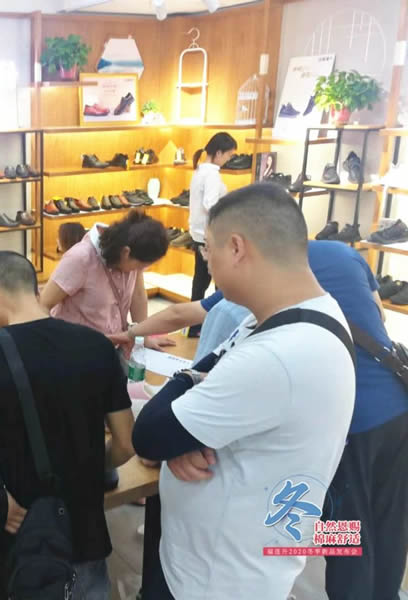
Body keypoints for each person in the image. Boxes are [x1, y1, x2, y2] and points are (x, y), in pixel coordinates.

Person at [133, 183, 356, 599]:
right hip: (204, 563)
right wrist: (184, 425)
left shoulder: (281, 354)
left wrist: (183, 398)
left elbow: (150, 432)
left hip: (217, 582)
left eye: (208, 250)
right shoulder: (277, 320)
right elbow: (195, 390)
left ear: (236, 248)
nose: (208, 263)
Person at [0, 251, 135, 600]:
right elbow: (125, 443)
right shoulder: (96, 346)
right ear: (35, 289)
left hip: (17, 532)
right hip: (83, 530)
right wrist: (89, 465)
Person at [40, 211, 171, 352]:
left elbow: (138, 296)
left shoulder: (133, 253)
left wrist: (143, 337)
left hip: (110, 348)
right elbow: (42, 305)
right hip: (76, 350)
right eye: (140, 266)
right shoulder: (81, 258)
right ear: (126, 253)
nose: (139, 270)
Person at [188, 132, 238, 315]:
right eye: (229, 155)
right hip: (211, 235)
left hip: (199, 233)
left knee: (200, 281)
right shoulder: (211, 174)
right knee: (219, 281)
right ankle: (215, 320)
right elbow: (210, 204)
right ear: (218, 153)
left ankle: (193, 323)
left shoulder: (200, 170)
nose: (228, 159)